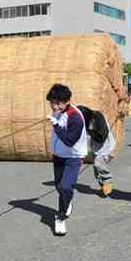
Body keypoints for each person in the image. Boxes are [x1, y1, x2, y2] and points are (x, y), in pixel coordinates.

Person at [46, 83, 87, 236]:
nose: (54, 106)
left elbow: (69, 140)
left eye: (57, 103)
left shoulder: (75, 117)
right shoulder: (58, 111)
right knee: (59, 186)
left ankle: (60, 218)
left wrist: (56, 126)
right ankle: (67, 201)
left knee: (65, 187)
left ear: (66, 101)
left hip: (73, 157)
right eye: (52, 102)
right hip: (58, 156)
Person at [78, 105, 116, 197]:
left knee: (98, 163)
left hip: (105, 145)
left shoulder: (97, 116)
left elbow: (102, 136)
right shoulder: (84, 121)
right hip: (95, 146)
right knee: (96, 169)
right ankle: (103, 186)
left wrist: (91, 131)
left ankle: (108, 181)